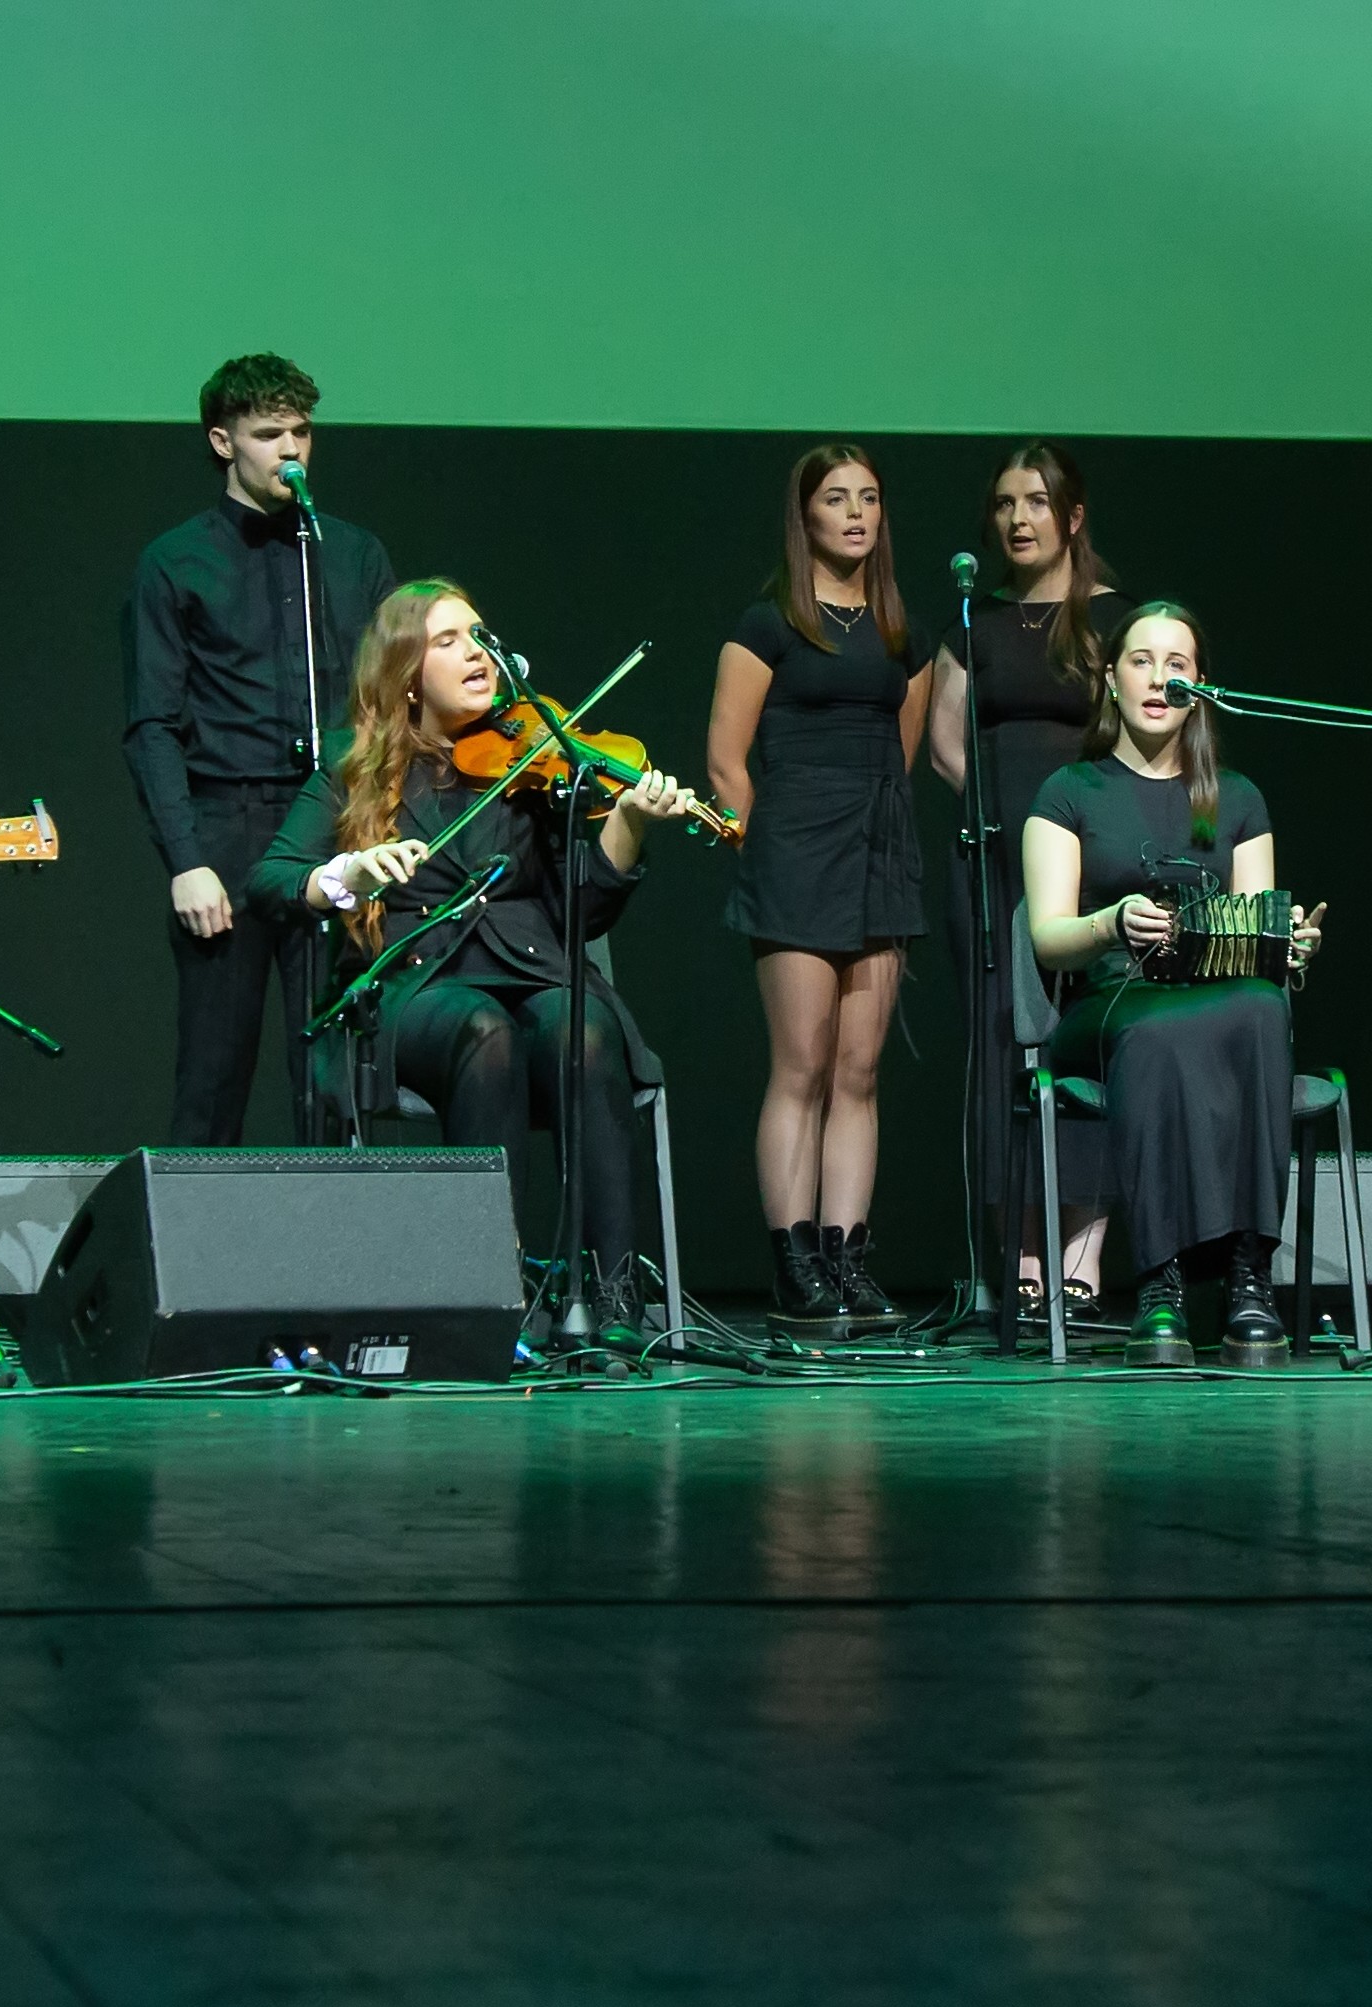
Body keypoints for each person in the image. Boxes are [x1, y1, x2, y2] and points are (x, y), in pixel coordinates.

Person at [248, 581, 701, 1351]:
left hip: (530, 969)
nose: (476, 653)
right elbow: (270, 881)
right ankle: (493, 1289)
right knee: (482, 1029)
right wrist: (346, 874)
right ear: (405, 674)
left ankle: (614, 1291)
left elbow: (581, 915)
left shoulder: (533, 760)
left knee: (583, 1029)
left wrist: (626, 824)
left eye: (480, 635)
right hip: (417, 986)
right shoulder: (354, 772)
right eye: (448, 640)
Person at [1022, 602, 1326, 1367]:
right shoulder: (1068, 791)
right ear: (1110, 678)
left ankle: (1247, 1274)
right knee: (1157, 1032)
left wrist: (1288, 947)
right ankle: (1158, 1280)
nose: (1159, 680)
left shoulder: (1237, 798)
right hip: (1109, 1003)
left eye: (1177, 666)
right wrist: (1109, 922)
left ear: (1201, 687)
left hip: (1215, 997)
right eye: (1141, 661)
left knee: (1263, 1006)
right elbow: (1047, 937)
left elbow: (1255, 934)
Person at [128, 353, 400, 1143]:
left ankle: (336, 1222)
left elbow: (392, 697)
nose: (290, 450)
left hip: (334, 824)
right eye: (268, 434)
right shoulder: (175, 561)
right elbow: (151, 725)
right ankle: (194, 1223)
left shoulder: (352, 554)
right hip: (230, 831)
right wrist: (185, 860)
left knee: (334, 1072)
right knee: (214, 1071)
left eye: (301, 432)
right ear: (223, 442)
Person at [705, 443, 932, 1337]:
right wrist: (766, 845)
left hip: (876, 851)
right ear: (804, 516)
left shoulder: (902, 633)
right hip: (795, 853)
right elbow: (725, 760)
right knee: (800, 1064)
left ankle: (846, 1258)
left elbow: (901, 754)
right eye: (836, 499)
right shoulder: (767, 624)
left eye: (868, 498)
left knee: (858, 1069)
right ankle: (793, 1259)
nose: (855, 514)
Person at [926, 441, 1129, 1330]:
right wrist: (999, 814)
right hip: (994, 857)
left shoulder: (1111, 620)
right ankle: (1020, 1260)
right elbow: (944, 742)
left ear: (1071, 517)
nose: (1018, 519)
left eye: (1037, 502)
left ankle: (1081, 1259)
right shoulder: (973, 621)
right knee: (1001, 1045)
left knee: (1086, 1043)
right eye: (1005, 503)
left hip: (1091, 858)